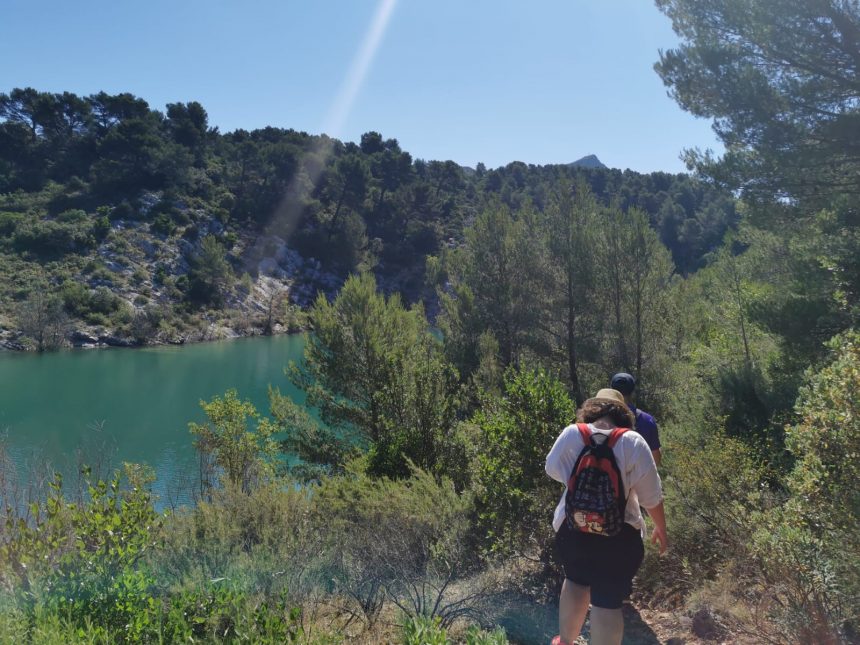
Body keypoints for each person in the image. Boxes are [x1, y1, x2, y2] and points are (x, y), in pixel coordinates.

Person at [546, 388, 667, 645]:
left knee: (575, 580)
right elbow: (652, 497)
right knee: (607, 600)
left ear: (591, 410)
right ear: (624, 415)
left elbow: (551, 467)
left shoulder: (572, 433)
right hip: (620, 535)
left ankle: (566, 642)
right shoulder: (633, 442)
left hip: (573, 528)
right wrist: (660, 528)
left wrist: (582, 488)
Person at [610, 372, 661, 466]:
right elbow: (655, 460)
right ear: (632, 392)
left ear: (611, 392)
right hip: (637, 478)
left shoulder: (600, 419)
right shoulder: (647, 421)